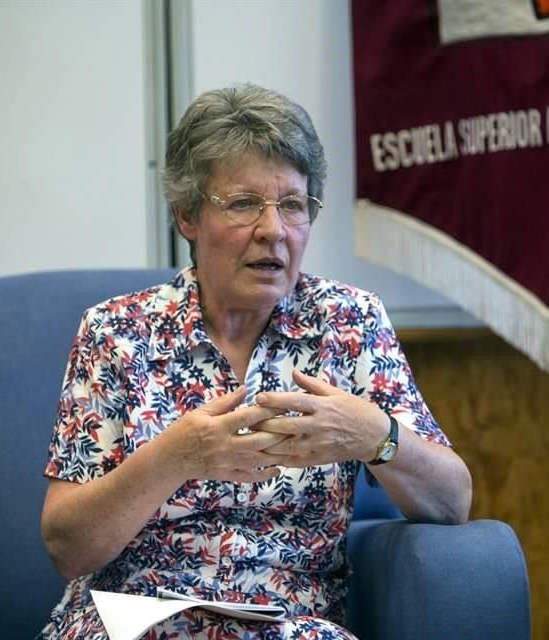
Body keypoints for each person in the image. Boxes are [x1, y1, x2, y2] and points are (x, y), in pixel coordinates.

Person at [36, 83, 472, 640]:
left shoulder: (348, 323)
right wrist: (173, 459)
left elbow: (453, 501)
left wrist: (376, 435)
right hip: (134, 622)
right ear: (186, 217)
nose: (274, 230)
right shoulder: (116, 333)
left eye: (293, 205)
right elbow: (67, 548)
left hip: (289, 625)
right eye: (243, 204)